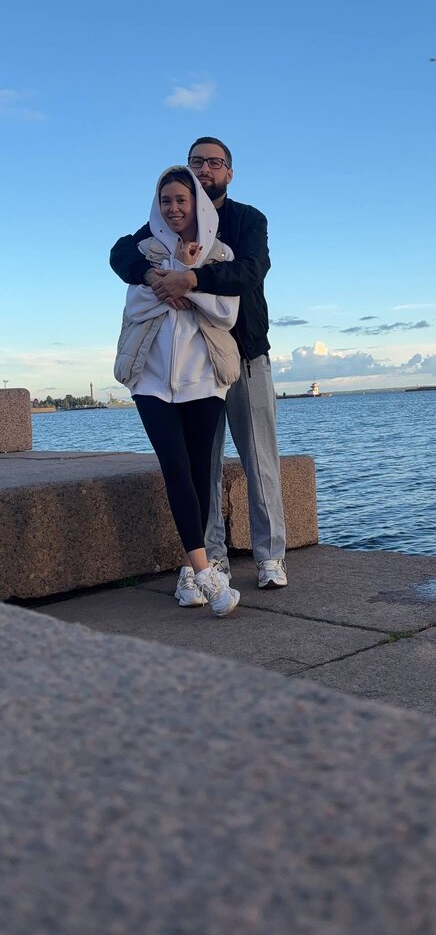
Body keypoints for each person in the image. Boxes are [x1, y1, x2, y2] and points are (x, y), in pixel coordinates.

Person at [110, 137, 287, 590]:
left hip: (245, 351)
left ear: (230, 171)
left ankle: (270, 557)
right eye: (197, 162)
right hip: (197, 363)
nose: (205, 169)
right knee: (200, 464)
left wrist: (190, 279)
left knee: (259, 458)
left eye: (214, 162)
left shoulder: (248, 219)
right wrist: (153, 275)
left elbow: (251, 271)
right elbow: (122, 253)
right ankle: (213, 560)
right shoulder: (171, 220)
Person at [114, 165, 241, 616]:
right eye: (165, 200)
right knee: (174, 465)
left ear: (196, 204)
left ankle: (190, 570)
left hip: (204, 378)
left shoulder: (220, 253)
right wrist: (168, 284)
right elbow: (136, 306)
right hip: (150, 377)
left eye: (181, 200)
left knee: (199, 470)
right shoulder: (143, 251)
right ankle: (206, 574)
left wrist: (189, 278)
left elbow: (225, 313)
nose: (173, 208)